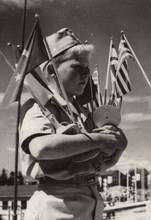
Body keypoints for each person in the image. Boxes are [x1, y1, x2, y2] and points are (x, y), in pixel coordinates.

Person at [19, 28, 127, 220]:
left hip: (89, 201)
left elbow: (99, 164)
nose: (86, 75)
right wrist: (98, 139)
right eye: (78, 68)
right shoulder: (39, 106)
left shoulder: (84, 114)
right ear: (51, 70)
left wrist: (117, 145)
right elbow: (40, 148)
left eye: (87, 69)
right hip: (56, 203)